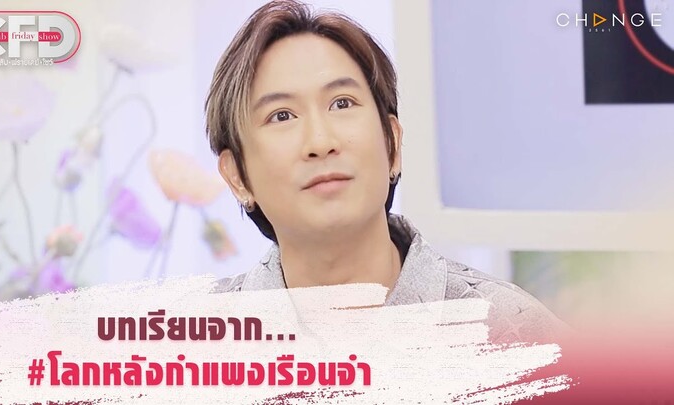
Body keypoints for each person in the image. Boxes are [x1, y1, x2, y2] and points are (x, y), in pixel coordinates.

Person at [205, 0, 566, 343]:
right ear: (237, 176)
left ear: (392, 144)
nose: (320, 141)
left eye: (342, 103)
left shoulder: (516, 332)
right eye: (281, 115)